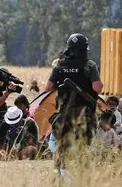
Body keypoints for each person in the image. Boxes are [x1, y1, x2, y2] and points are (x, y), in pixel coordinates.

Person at [44, 33, 103, 166]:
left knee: (63, 144)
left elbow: (48, 88)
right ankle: (81, 170)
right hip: (85, 112)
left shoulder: (59, 65)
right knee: (83, 144)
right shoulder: (89, 65)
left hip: (64, 111)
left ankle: (60, 172)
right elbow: (97, 88)